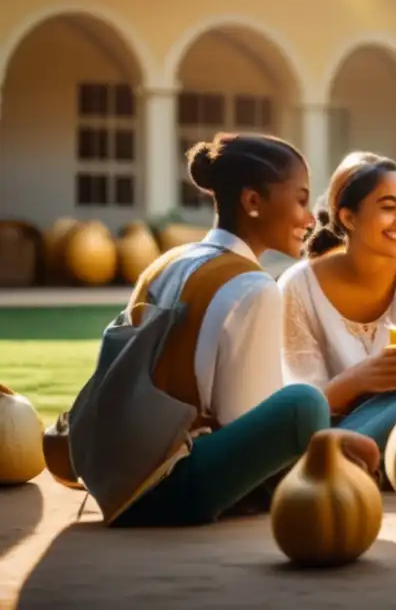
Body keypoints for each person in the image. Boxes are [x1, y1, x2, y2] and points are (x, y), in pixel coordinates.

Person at [109, 132, 375, 527]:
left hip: (117, 474)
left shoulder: (171, 261)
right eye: (301, 200)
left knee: (313, 413)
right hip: (173, 486)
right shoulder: (255, 288)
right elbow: (244, 423)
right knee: (306, 404)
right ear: (252, 202)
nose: (309, 219)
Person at [277, 151, 396, 456]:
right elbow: (306, 406)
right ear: (348, 217)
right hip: (324, 431)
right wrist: (357, 380)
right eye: (388, 207)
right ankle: (338, 458)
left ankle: (349, 461)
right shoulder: (297, 287)